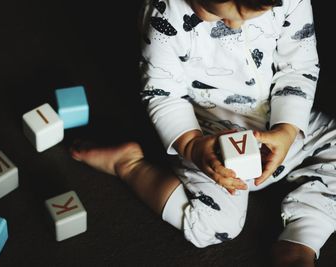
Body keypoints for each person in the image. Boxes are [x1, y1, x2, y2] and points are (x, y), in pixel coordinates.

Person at [71, 0, 336, 266]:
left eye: (253, 15)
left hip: (273, 120)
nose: (235, 25)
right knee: (215, 226)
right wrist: (191, 145)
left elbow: (298, 68)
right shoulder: (166, 12)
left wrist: (287, 129)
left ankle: (302, 236)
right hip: (207, 133)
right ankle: (128, 165)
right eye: (213, 12)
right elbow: (164, 96)